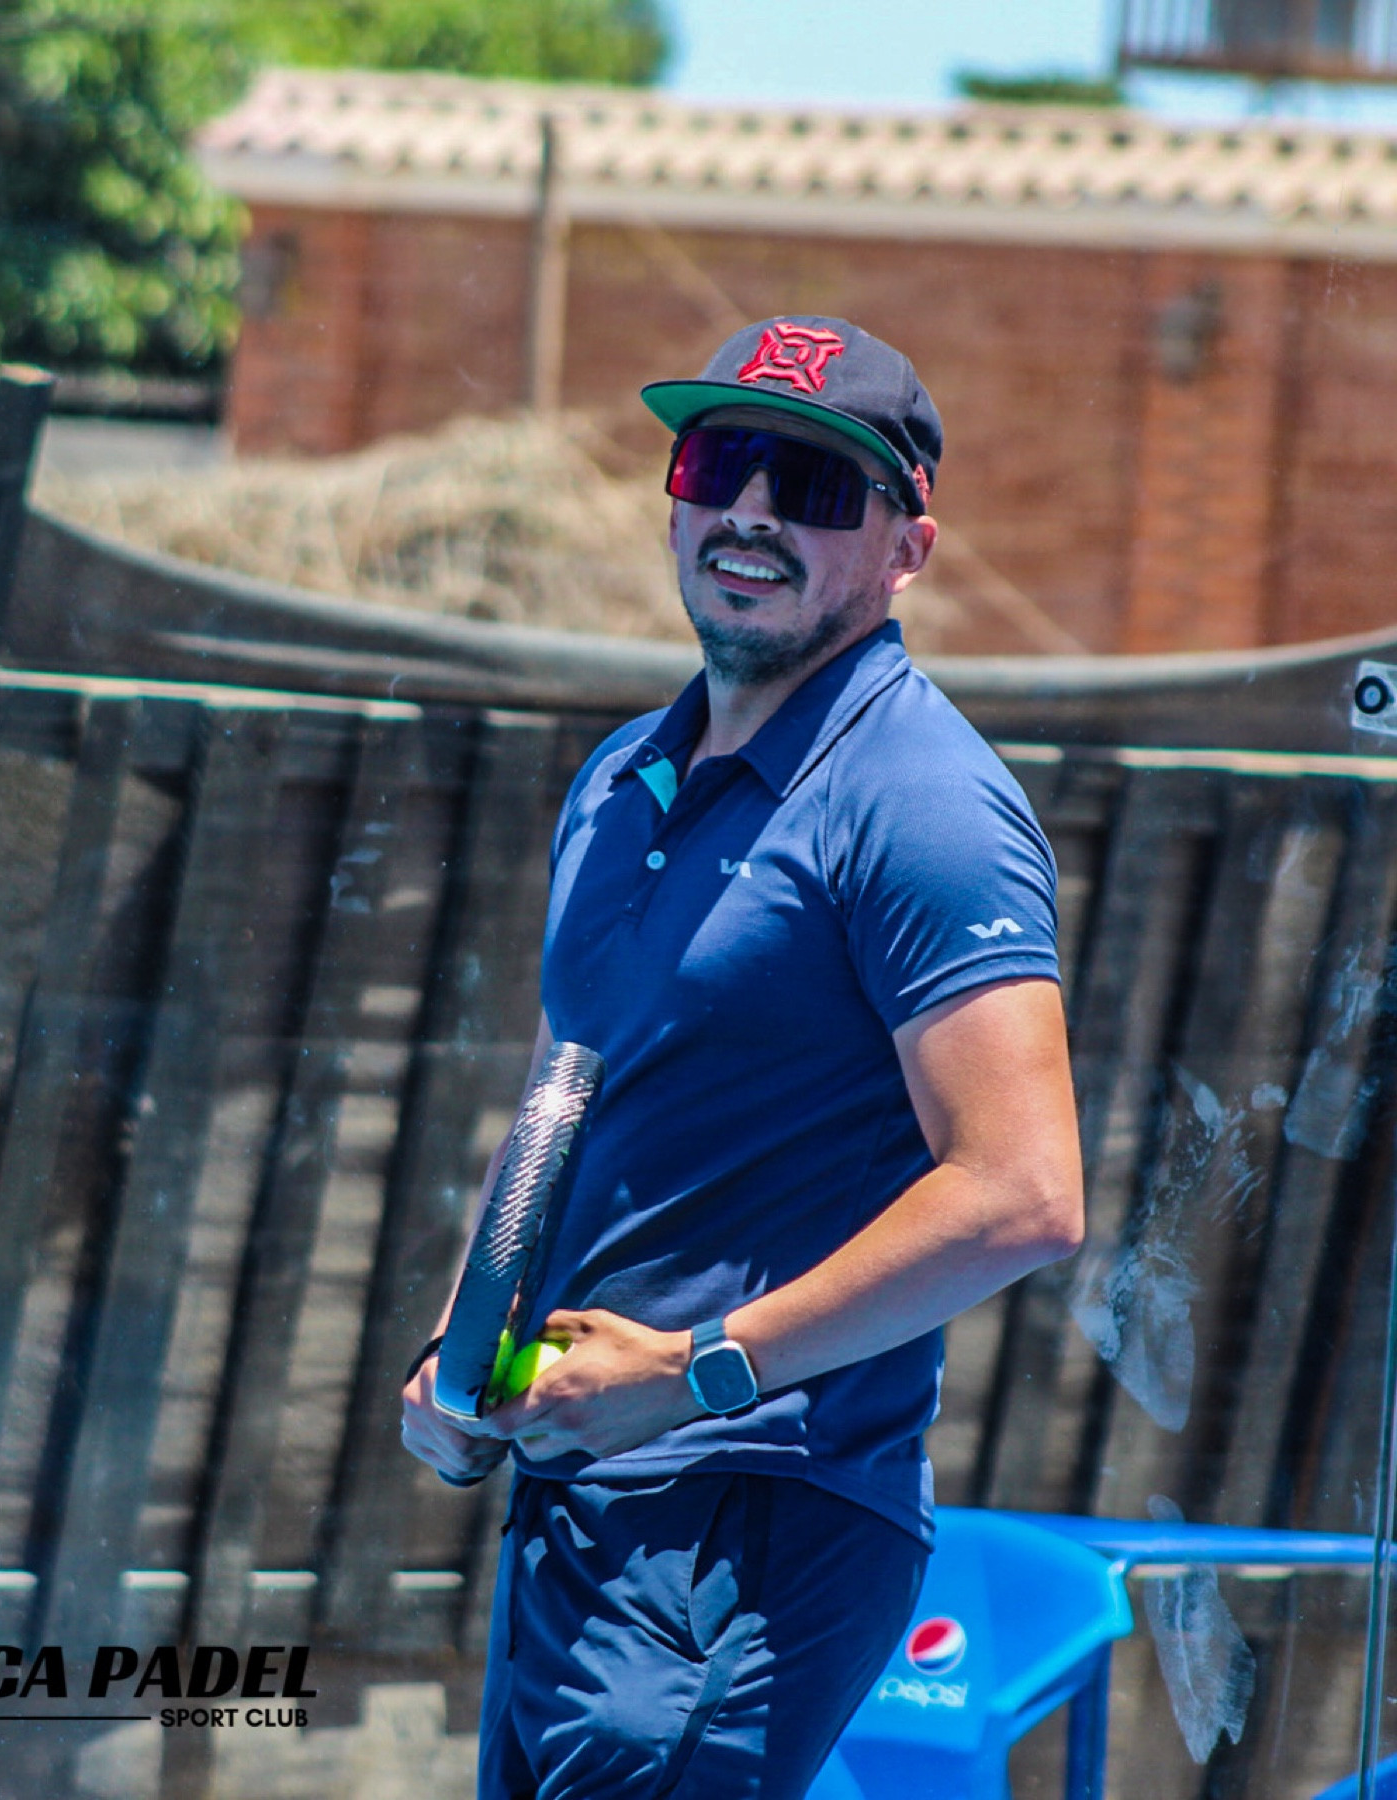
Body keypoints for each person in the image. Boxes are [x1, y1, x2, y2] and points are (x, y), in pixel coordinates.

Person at [400, 316, 1084, 1798]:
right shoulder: (620, 778)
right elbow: (568, 1101)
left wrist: (694, 1375)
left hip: (747, 1526)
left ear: (907, 548)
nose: (752, 511)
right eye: (720, 464)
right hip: (578, 1509)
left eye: (816, 486)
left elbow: (1024, 1194)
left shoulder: (923, 804)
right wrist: (464, 1346)